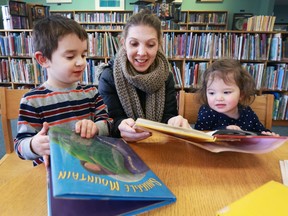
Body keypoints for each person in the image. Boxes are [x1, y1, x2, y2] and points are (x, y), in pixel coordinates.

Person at [14, 15, 112, 166]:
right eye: (70, 56)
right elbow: (20, 146)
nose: (81, 62)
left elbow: (108, 125)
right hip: (52, 173)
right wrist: (34, 144)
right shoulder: (32, 100)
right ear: (43, 59)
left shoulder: (92, 93)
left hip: (91, 167)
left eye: (83, 54)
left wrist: (96, 127)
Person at [98, 10, 191, 142]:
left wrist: (174, 121)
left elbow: (168, 115)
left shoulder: (166, 76)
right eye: (134, 44)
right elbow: (110, 120)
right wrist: (120, 127)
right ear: (123, 43)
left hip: (157, 147)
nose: (142, 52)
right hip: (122, 148)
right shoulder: (109, 76)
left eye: (150, 44)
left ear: (159, 44)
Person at [194, 59, 278, 136]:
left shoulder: (247, 112)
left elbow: (259, 131)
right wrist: (223, 131)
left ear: (241, 94)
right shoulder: (207, 111)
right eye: (212, 93)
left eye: (226, 92)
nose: (218, 98)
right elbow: (199, 134)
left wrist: (267, 135)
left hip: (242, 151)